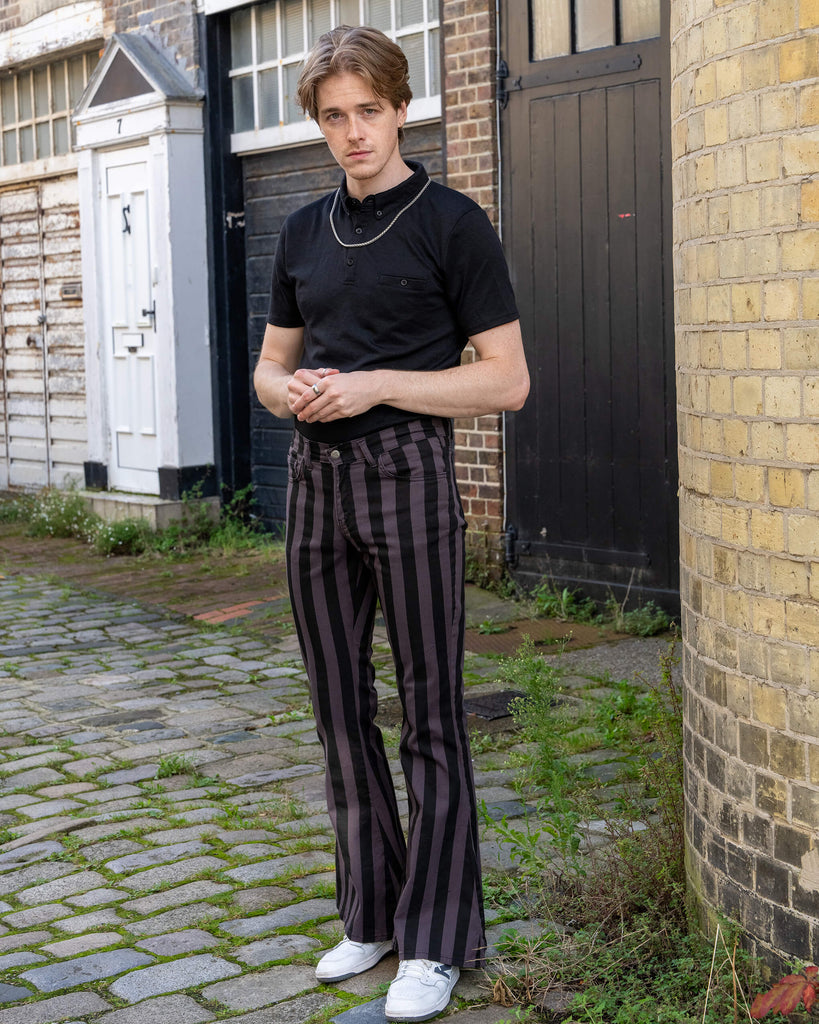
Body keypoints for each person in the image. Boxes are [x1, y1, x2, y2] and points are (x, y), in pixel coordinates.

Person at [254, 24, 529, 1022]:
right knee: (336, 704)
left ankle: (440, 939)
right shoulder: (298, 232)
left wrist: (375, 385)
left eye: (369, 110)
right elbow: (267, 367)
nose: (353, 132)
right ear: (318, 123)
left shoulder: (453, 223)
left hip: (408, 472)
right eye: (334, 116)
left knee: (430, 710)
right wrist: (294, 395)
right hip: (314, 481)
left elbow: (507, 381)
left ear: (401, 108)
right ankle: (370, 909)